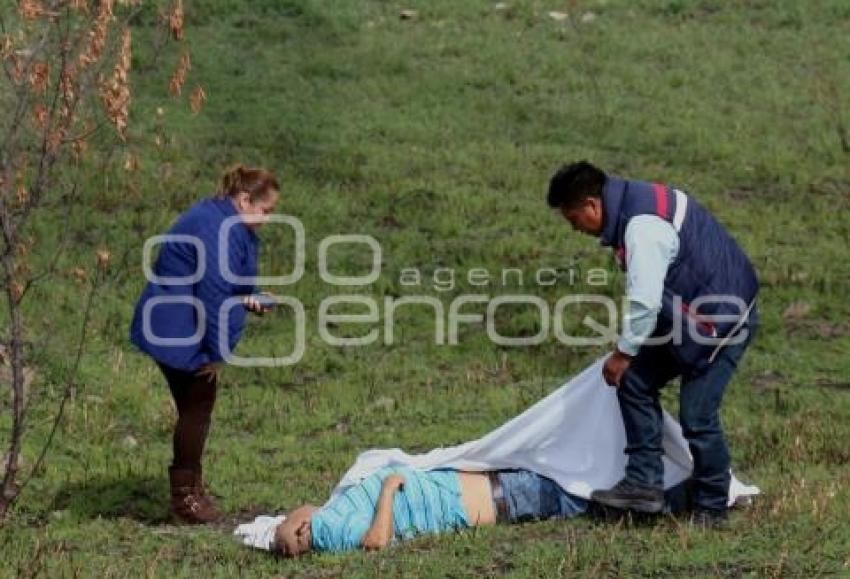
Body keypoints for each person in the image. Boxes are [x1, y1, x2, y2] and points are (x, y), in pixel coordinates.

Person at [546, 161, 759, 527]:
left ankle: (712, 506)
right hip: (695, 315)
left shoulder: (641, 227)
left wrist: (623, 352)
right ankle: (643, 484)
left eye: (573, 219)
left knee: (697, 416)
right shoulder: (634, 206)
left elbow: (645, 299)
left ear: (592, 206)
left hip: (724, 322)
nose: (575, 229)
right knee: (634, 380)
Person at [129, 165, 279, 524]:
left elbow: (229, 284)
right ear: (245, 199)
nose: (268, 218)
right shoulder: (216, 228)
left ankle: (191, 489)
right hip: (176, 327)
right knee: (197, 404)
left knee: (196, 405)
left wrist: (251, 297)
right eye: (266, 210)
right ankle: (185, 500)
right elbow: (212, 296)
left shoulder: (224, 221)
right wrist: (216, 354)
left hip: (180, 321)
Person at [273, 466, 589, 556]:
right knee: (573, 491)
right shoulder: (324, 528)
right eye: (291, 514)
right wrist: (388, 489)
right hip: (495, 498)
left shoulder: (333, 518)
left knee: (562, 483)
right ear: (301, 526)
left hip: (492, 494)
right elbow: (376, 541)